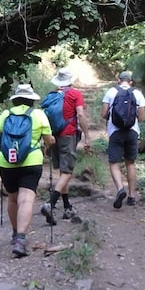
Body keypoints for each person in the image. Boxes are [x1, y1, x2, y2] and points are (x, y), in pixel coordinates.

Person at [0, 83, 55, 258]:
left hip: (7, 163)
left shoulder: (6, 114)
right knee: (26, 200)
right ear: (32, 100)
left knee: (12, 198)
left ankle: (15, 233)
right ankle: (21, 240)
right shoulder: (39, 115)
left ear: (15, 100)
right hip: (31, 162)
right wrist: (50, 141)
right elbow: (49, 140)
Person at [40, 67, 91, 224]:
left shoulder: (52, 96)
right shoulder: (75, 94)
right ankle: (51, 203)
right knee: (67, 171)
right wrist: (87, 136)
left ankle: (67, 207)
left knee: (63, 171)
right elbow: (80, 114)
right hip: (68, 135)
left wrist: (47, 141)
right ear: (71, 80)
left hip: (54, 135)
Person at [101, 70, 145, 208]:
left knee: (114, 162)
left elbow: (103, 114)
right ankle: (132, 197)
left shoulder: (111, 92)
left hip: (115, 132)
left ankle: (121, 189)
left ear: (118, 80)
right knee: (130, 163)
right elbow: (142, 118)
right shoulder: (137, 93)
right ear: (131, 81)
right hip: (132, 132)